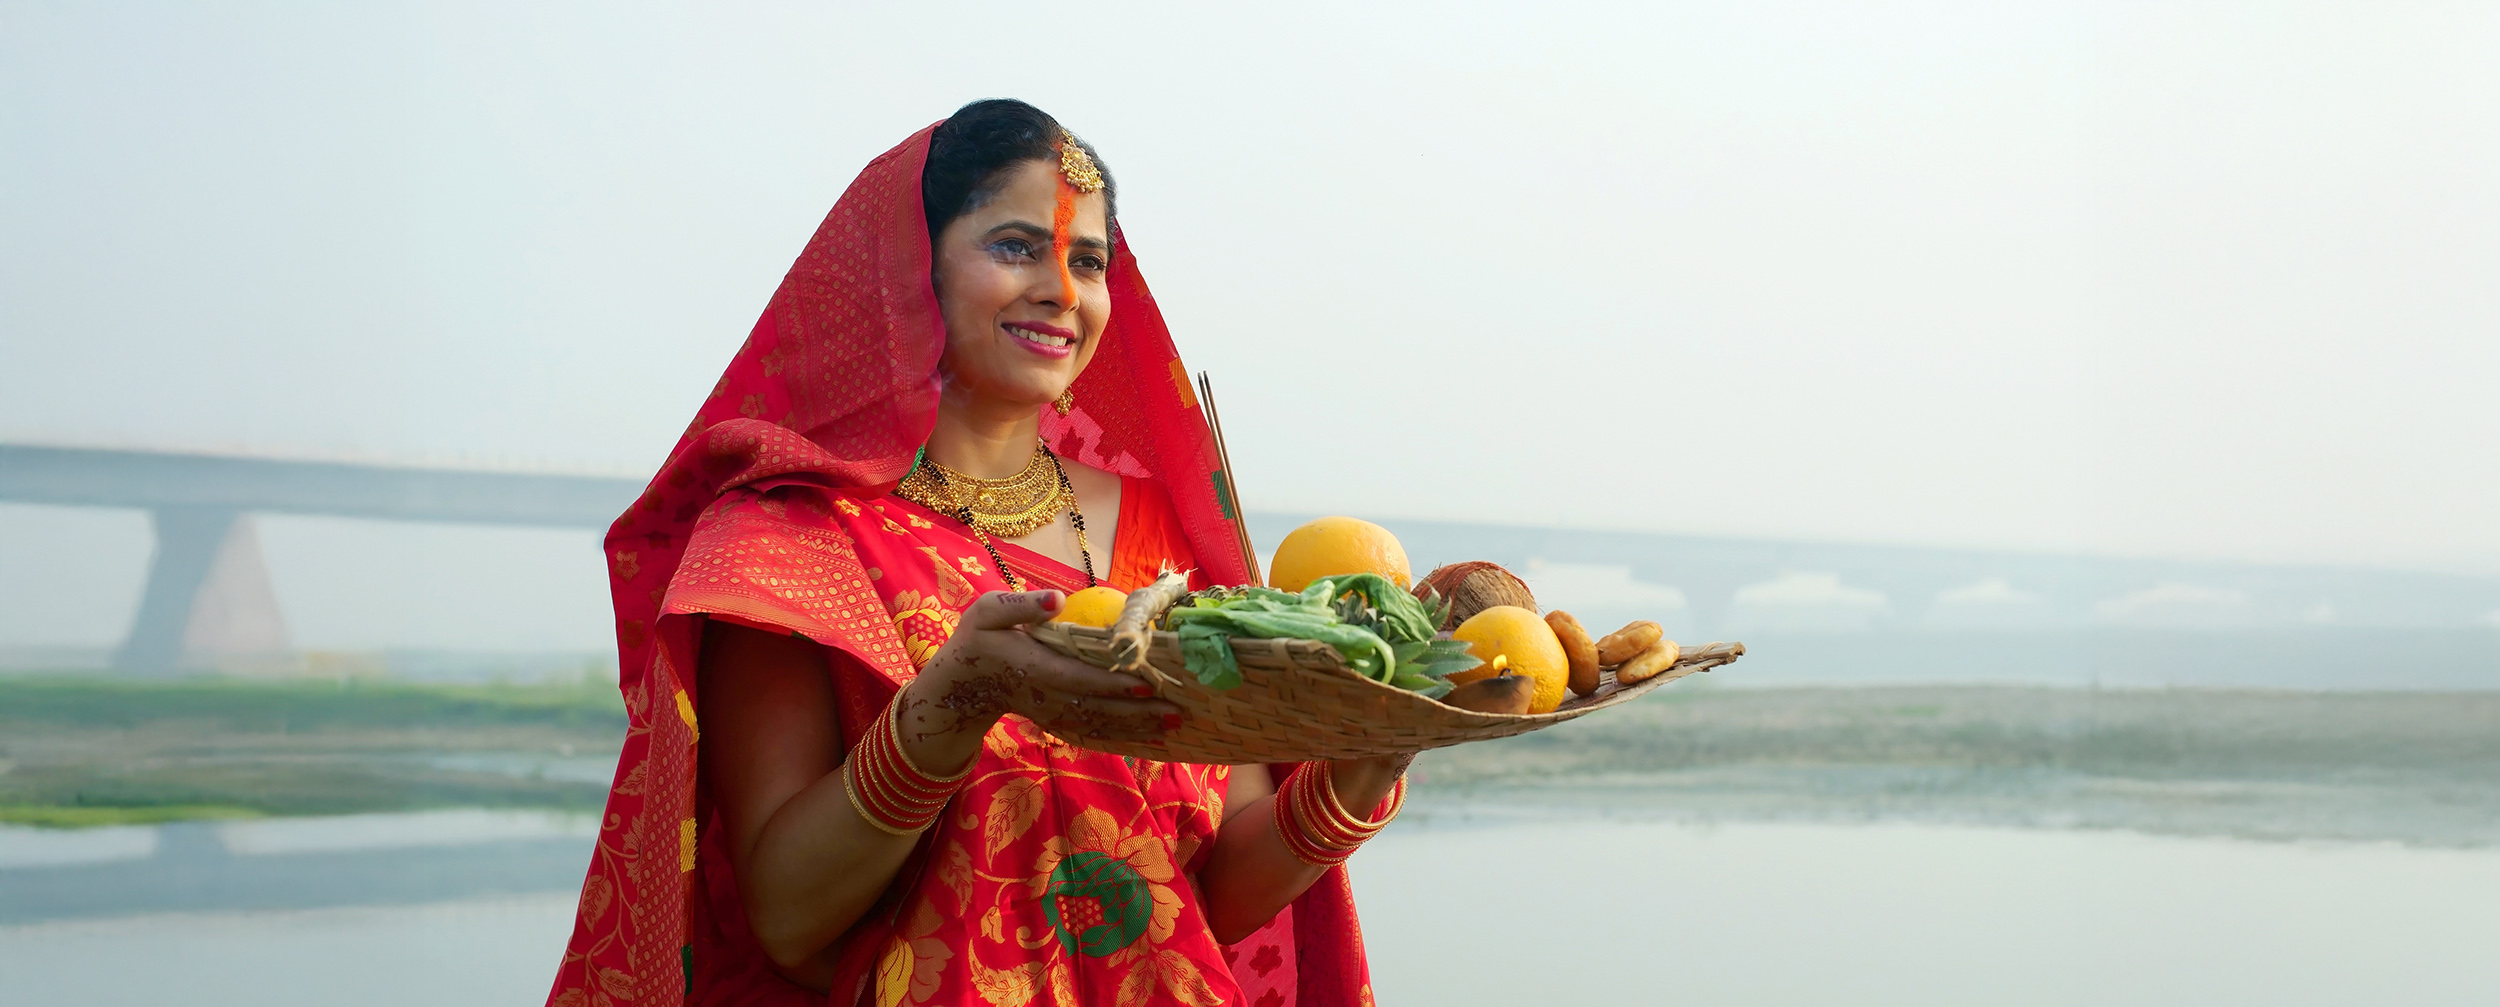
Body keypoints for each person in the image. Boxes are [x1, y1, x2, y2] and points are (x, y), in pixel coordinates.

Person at [549, 99, 1406, 1007]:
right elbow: (788, 916)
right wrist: (953, 701)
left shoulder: (1163, 542)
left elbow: (1214, 888)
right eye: (1016, 246)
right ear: (908, 268)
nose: (1063, 292)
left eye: (1088, 261)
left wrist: (1370, 760)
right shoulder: (794, 542)